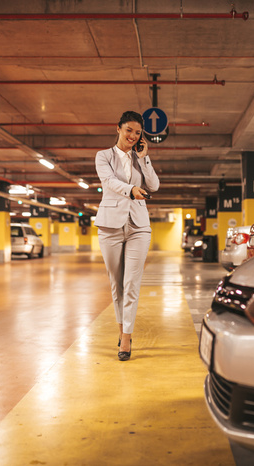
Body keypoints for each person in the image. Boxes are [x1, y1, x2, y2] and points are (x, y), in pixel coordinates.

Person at [94, 111, 159, 361]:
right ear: (118, 129)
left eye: (138, 132)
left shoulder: (139, 157)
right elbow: (108, 182)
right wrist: (130, 189)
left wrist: (144, 159)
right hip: (110, 225)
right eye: (129, 130)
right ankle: (122, 329)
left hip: (138, 226)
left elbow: (154, 185)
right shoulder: (104, 156)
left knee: (132, 283)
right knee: (117, 282)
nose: (133, 136)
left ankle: (127, 337)